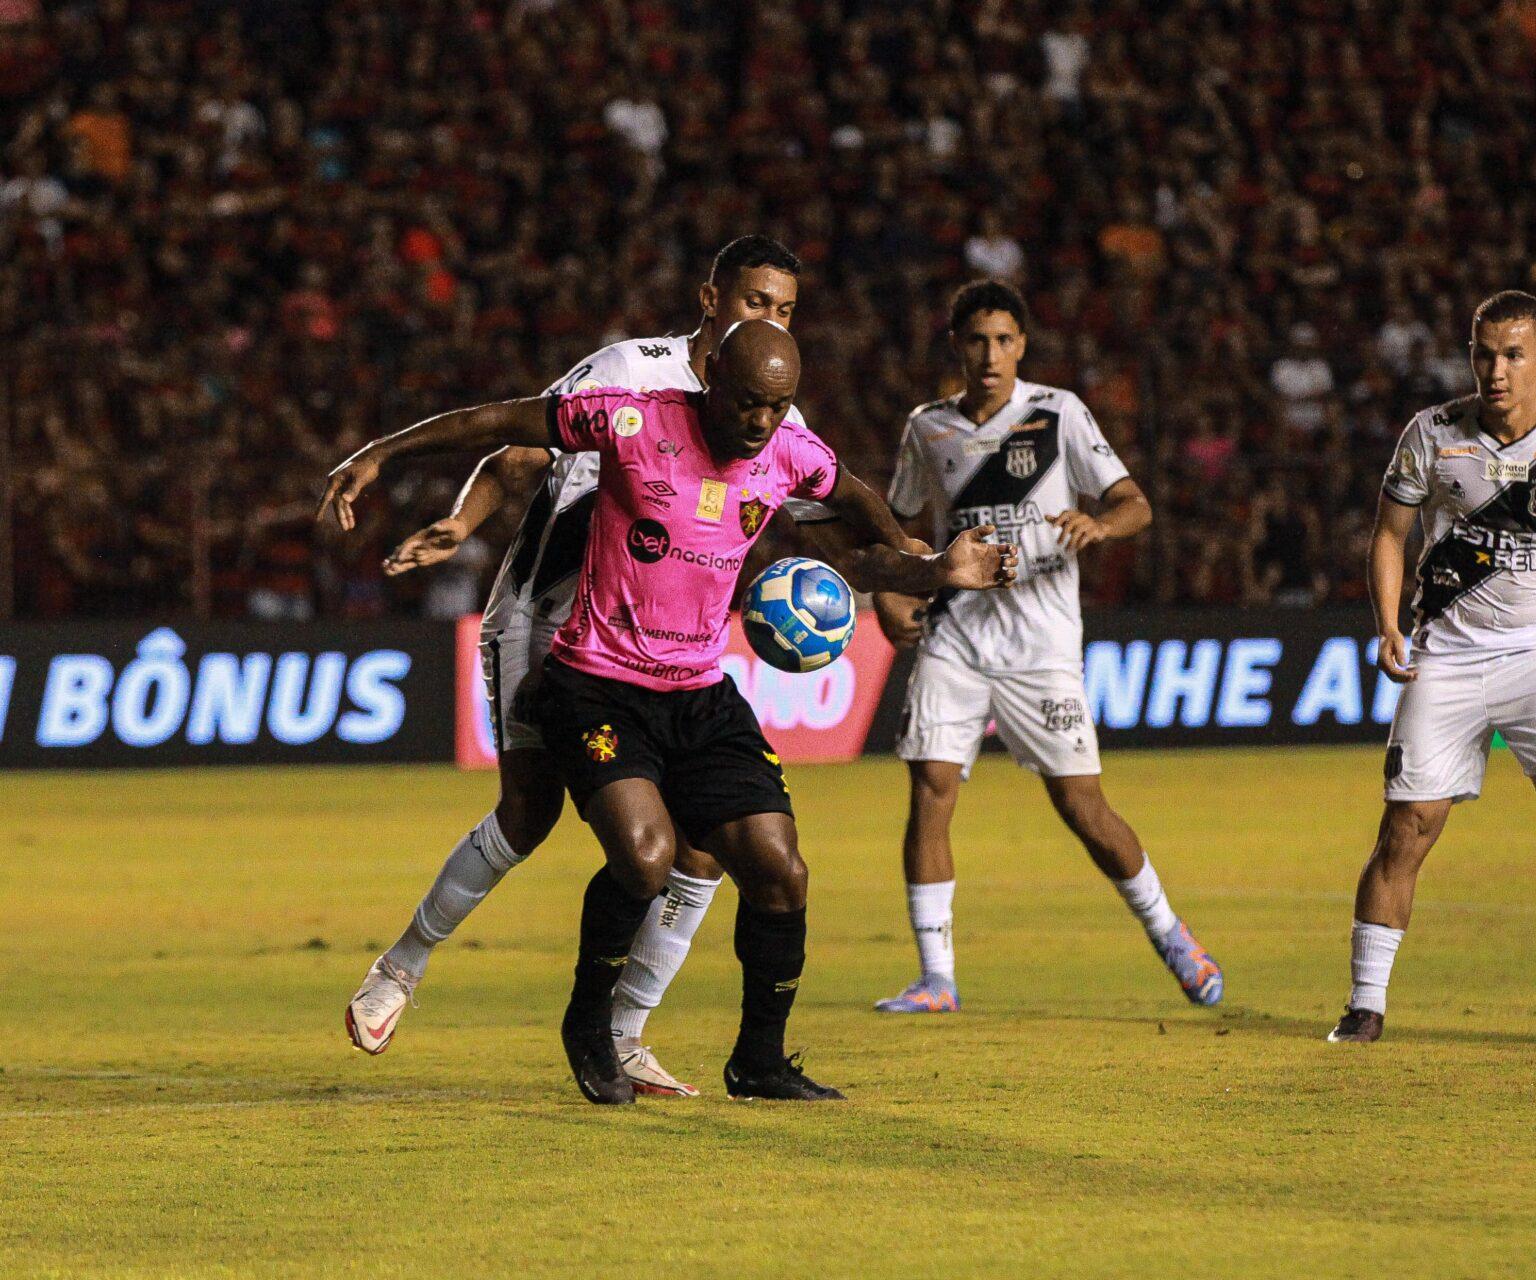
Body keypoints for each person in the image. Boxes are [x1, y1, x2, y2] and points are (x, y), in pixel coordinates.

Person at [320, 320, 1017, 1100]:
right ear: (711, 373)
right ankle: (590, 1026)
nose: (761, 421)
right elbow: (498, 424)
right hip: (596, 679)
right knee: (644, 857)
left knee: (780, 869)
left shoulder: (789, 449)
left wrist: (932, 567)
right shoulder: (631, 418)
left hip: (696, 689)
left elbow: (853, 505)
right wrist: (379, 452)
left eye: (777, 405)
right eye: (749, 402)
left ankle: (758, 1060)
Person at [344, 237, 848, 1100]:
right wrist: (464, 526)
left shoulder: (773, 411)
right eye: (755, 302)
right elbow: (521, 445)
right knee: (530, 813)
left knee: (705, 845)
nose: (768, 322)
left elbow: (826, 511)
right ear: (710, 297)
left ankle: (624, 1033)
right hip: (548, 617)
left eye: (785, 311)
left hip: (670, 651)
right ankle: (402, 966)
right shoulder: (632, 373)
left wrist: (907, 570)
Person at [867, 280, 1222, 1013]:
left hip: (1042, 647)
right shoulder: (927, 428)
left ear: (1022, 345)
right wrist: (892, 597)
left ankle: (1170, 934)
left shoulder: (1058, 413)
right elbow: (899, 532)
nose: (990, 354)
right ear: (956, 347)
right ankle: (937, 977)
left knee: (1081, 805)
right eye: (976, 340)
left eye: (1003, 340)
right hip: (956, 637)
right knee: (930, 790)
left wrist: (1101, 526)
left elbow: (1134, 502)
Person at [1327, 290, 1536, 1046]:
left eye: (1514, 355)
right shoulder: (1432, 434)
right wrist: (1387, 622)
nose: (1497, 370)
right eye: (1484, 354)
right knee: (1407, 827)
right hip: (1446, 651)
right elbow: (1390, 533)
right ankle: (1364, 1003)